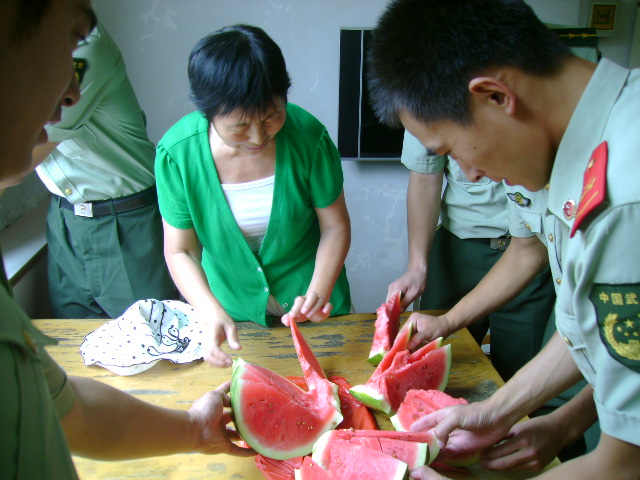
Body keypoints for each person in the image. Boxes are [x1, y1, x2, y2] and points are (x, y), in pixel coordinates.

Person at [367, 1, 640, 479]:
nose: (470, 174)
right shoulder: (572, 144)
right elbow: (589, 327)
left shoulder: (623, 199)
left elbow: (621, 466)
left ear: (494, 95)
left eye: (451, 151)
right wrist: (500, 409)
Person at [0, 1, 253, 478]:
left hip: (126, 219)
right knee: (85, 352)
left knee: (155, 363)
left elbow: (61, 402)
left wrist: (195, 430)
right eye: (69, 39)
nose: (73, 89)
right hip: (68, 218)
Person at [155, 24, 352, 368]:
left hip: (314, 309)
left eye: (272, 115)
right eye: (240, 126)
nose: (259, 136)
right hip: (232, 314)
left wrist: (318, 290)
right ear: (209, 112)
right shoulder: (177, 155)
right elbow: (181, 249)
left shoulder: (309, 139)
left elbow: (335, 227)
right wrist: (209, 310)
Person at [31, 22, 178, 319]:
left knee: (152, 344)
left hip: (126, 221)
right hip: (65, 216)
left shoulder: (82, 46)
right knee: (74, 347)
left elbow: (26, 149)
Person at [388, 131, 556, 381]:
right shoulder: (424, 104)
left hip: (532, 250)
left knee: (518, 372)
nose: (472, 175)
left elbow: (527, 253)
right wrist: (417, 266)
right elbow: (425, 178)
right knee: (427, 367)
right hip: (459, 250)